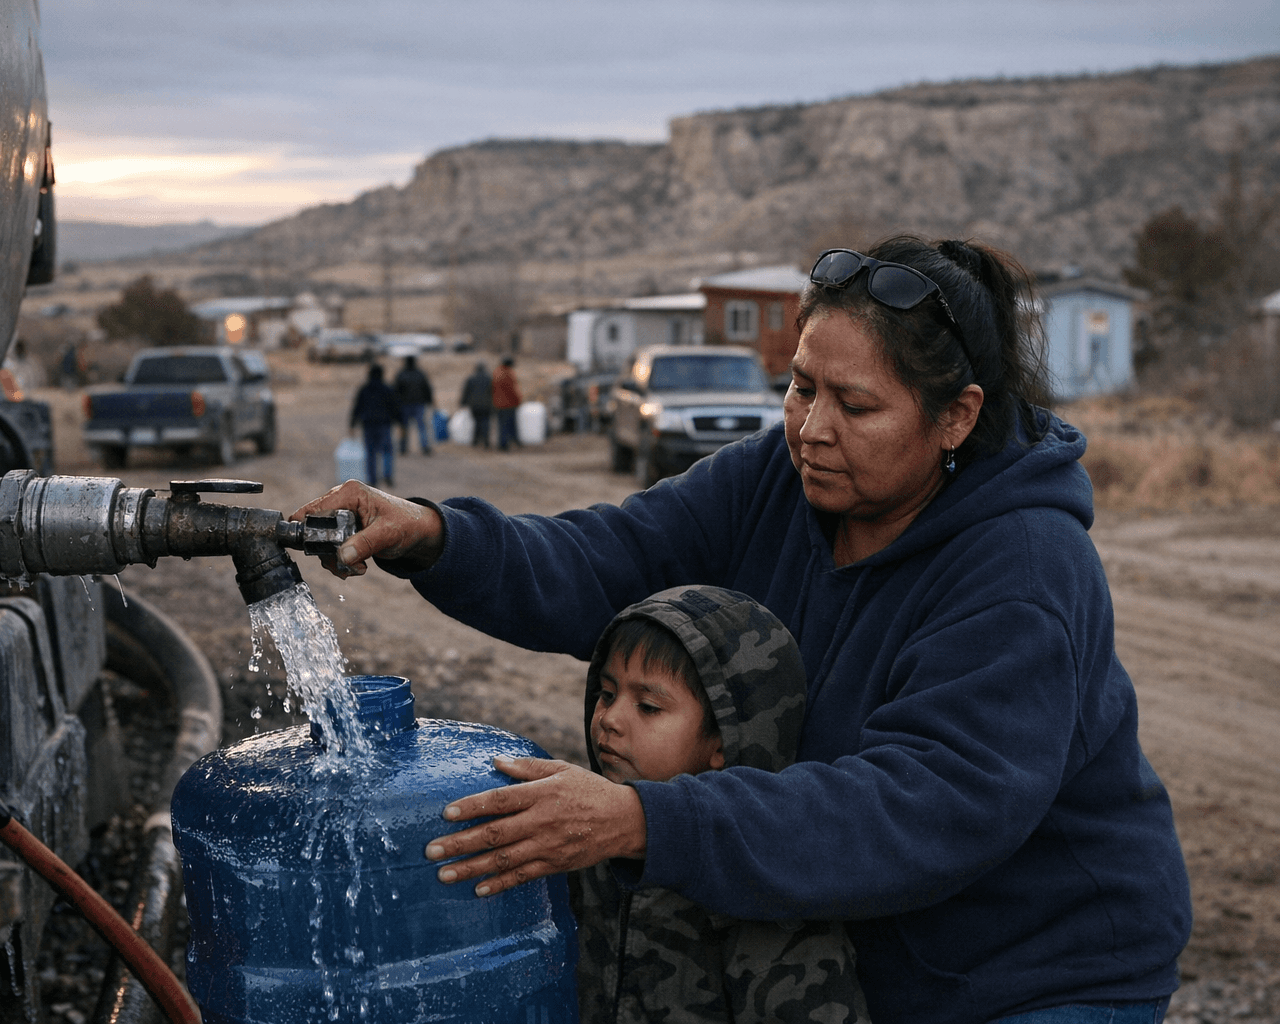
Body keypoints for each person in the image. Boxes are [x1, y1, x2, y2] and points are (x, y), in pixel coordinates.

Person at [295, 236, 1192, 1023]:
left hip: (1039, 972)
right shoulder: (778, 477)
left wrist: (644, 820)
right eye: (800, 388)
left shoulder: (1025, 569)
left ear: (956, 415)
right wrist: (439, 536)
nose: (812, 429)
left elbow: (923, 804)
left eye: (857, 405)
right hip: (874, 944)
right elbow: (609, 559)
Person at [576, 585, 868, 1024]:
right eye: (606, 693)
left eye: (649, 706)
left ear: (722, 742)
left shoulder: (771, 905)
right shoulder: (584, 845)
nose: (611, 719)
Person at [348, 363, 400, 487]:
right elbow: (395, 407)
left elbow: (357, 407)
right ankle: (387, 475)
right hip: (384, 424)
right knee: (387, 451)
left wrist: (352, 424)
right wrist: (401, 423)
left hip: (368, 425)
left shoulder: (364, 389)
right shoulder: (387, 389)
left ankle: (372, 479)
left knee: (370, 452)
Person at [393, 354, 435, 455]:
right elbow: (427, 388)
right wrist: (430, 401)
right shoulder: (420, 374)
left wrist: (395, 404)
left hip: (404, 405)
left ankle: (403, 447)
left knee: (404, 427)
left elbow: (395, 390)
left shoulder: (401, 374)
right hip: (419, 404)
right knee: (422, 426)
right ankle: (425, 447)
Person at [460, 362, 494, 448]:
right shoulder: (489, 378)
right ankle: (486, 441)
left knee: (476, 422)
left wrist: (463, 402)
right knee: (485, 422)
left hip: (474, 405)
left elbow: (466, 392)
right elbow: (493, 392)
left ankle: (475, 441)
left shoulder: (471, 378)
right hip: (487, 405)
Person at [492, 356, 522, 450]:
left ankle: (502, 443)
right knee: (509, 424)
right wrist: (518, 400)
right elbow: (513, 390)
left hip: (497, 403)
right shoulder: (508, 374)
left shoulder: (496, 372)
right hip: (509, 404)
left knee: (501, 424)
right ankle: (505, 444)